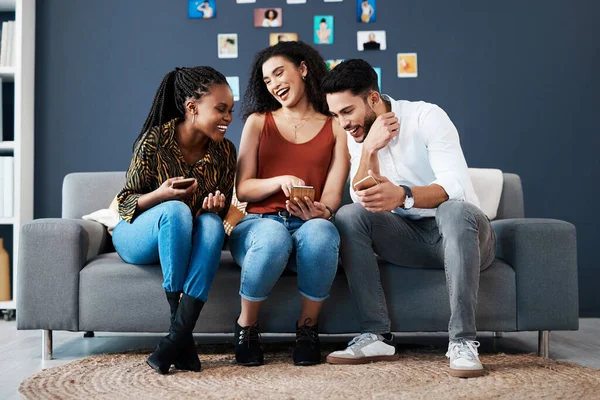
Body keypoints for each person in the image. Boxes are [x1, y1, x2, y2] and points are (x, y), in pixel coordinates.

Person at [322, 59, 495, 378]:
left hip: (463, 236)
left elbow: (454, 186)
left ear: (373, 99)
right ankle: (376, 336)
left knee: (453, 210)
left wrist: (404, 195)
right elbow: (360, 195)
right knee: (349, 216)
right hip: (409, 240)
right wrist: (371, 148)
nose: (343, 122)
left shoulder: (426, 116)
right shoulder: (357, 133)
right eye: (336, 115)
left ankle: (462, 342)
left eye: (347, 111)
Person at [230, 41, 349, 367]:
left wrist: (321, 212)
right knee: (273, 236)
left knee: (323, 232)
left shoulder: (335, 126)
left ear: (304, 68)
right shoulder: (258, 121)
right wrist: (278, 180)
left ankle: (308, 330)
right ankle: (246, 327)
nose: (274, 84)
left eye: (279, 73)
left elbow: (333, 195)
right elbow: (243, 189)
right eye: (267, 80)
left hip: (307, 225)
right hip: (258, 225)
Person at [113, 66, 237, 374]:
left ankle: (175, 340)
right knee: (174, 209)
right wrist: (160, 194)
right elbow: (125, 203)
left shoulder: (225, 152)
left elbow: (209, 217)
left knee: (209, 224)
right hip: (137, 234)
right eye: (220, 109)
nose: (228, 118)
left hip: (186, 233)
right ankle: (180, 332)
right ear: (192, 107)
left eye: (231, 111)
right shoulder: (154, 141)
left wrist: (214, 209)